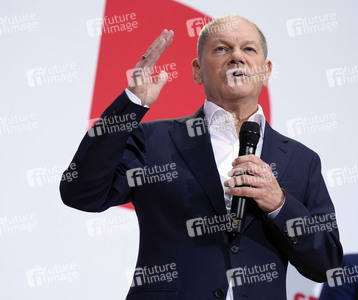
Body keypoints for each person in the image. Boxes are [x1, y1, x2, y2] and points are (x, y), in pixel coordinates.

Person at [60, 15, 342, 299]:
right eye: (221, 49)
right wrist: (131, 104)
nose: (236, 57)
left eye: (249, 49)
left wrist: (279, 204)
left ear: (266, 71)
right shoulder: (153, 140)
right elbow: (81, 192)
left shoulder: (301, 160)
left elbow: (327, 265)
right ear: (197, 70)